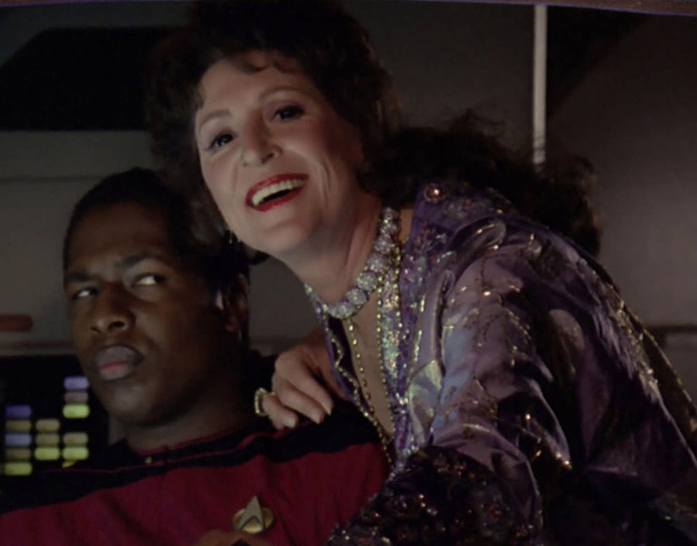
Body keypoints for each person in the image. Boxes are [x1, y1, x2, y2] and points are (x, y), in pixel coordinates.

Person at [146, 1, 697, 543]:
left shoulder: (492, 269)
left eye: (284, 112)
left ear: (358, 124)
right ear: (209, 196)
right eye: (221, 139)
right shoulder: (350, 311)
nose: (254, 151)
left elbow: (482, 480)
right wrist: (322, 350)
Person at [0, 168, 389, 546]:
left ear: (231, 302)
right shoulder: (22, 524)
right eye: (84, 292)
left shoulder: (342, 464)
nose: (104, 315)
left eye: (146, 280)